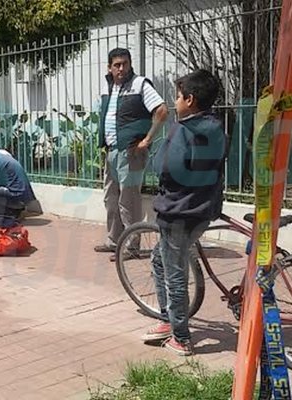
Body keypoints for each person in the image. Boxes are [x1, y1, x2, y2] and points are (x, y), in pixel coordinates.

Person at [142, 69, 226, 356]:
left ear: (189, 100)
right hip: (204, 209)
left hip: (178, 211)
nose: (175, 101)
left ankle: (180, 336)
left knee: (174, 274)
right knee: (159, 260)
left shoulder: (183, 129)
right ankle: (168, 319)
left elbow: (164, 168)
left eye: (178, 96)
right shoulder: (216, 126)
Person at [93, 48, 168, 259]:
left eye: (125, 63)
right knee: (111, 198)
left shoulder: (140, 84)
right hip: (112, 151)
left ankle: (132, 246)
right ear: (109, 67)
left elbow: (162, 111)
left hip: (131, 151)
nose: (121, 68)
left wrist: (147, 140)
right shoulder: (108, 86)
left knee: (129, 200)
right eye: (117, 65)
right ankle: (114, 240)